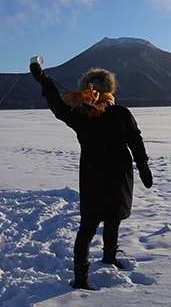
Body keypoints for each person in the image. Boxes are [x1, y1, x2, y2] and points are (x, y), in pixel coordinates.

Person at [29, 57, 153, 290]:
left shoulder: (84, 115)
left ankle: (94, 268)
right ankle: (92, 269)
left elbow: (58, 107)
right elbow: (135, 141)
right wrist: (143, 165)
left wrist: (44, 81)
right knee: (106, 220)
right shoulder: (114, 113)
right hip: (114, 174)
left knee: (94, 224)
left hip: (95, 174)